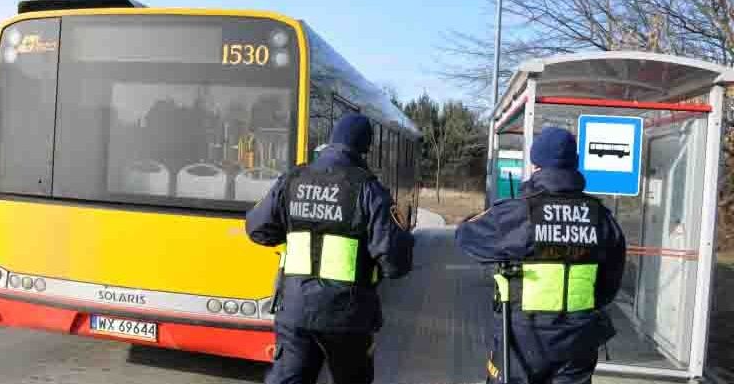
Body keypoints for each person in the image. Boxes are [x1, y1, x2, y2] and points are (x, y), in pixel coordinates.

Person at [246, 113, 414, 384]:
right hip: (347, 317)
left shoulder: (293, 179)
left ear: (331, 141)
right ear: (364, 148)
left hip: (295, 310)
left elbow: (257, 230)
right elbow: (396, 264)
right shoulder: (369, 189)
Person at [456, 127, 626, 384]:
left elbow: (467, 237)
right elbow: (608, 286)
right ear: (574, 165)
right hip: (578, 340)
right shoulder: (600, 217)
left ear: (536, 165)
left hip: (523, 339)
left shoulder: (518, 213)